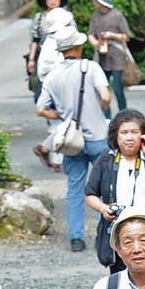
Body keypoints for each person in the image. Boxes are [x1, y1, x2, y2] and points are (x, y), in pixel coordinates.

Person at [35, 27, 111, 253]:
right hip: (97, 137)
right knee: (104, 189)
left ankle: (76, 237)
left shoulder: (53, 75)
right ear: (78, 47)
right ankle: (104, 235)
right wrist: (98, 111)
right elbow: (106, 96)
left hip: (71, 141)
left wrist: (62, 115)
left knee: (75, 187)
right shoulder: (91, 67)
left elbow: (40, 109)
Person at [84, 109, 145, 270]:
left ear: (143, 135)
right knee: (122, 280)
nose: (129, 137)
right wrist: (104, 208)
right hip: (121, 233)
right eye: (124, 132)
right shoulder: (105, 161)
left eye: (134, 132)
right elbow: (90, 194)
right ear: (116, 136)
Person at [86, 0, 131, 115]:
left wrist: (111, 35)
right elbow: (90, 34)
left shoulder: (117, 15)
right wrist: (95, 43)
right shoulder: (95, 15)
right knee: (102, 88)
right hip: (102, 56)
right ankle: (107, 117)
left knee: (118, 88)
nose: (94, 2)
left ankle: (124, 114)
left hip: (117, 56)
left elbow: (126, 36)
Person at [27, 0, 75, 95]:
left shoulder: (67, 17)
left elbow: (73, 37)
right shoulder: (39, 17)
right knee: (43, 88)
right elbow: (35, 39)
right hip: (44, 57)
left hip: (63, 55)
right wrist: (31, 59)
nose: (53, 0)